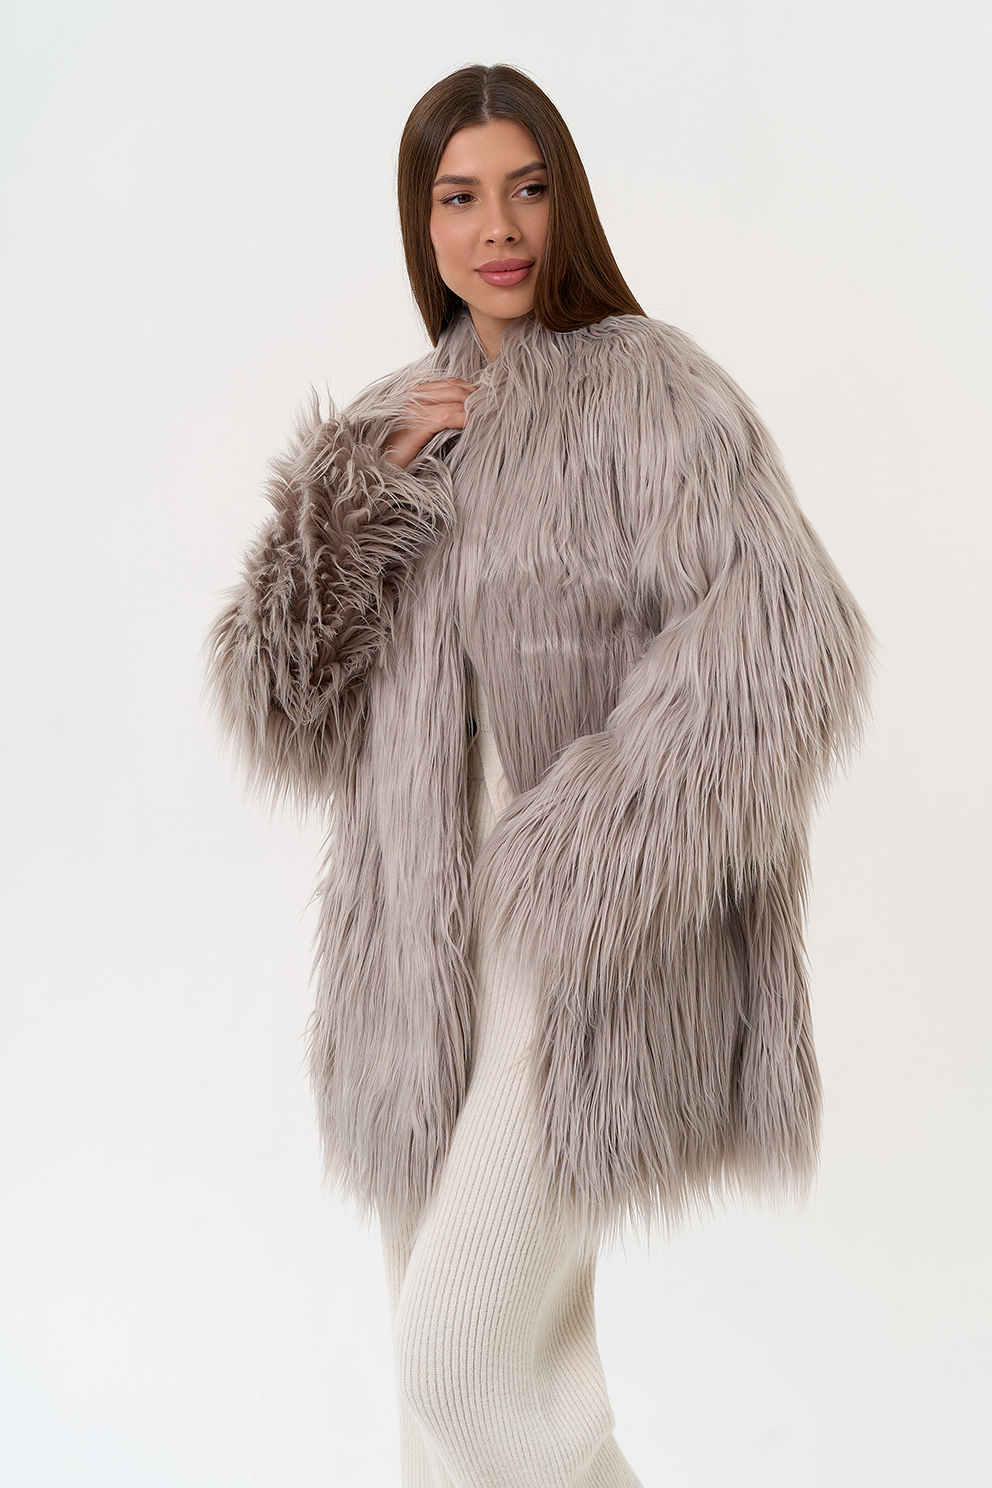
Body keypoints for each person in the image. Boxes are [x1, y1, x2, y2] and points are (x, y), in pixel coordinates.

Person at [208, 62, 871, 1488]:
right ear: (421, 219)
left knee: (455, 1353)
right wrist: (358, 493)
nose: (498, 228)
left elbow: (785, 640)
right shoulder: (400, 418)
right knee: (479, 1416)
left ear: (568, 199)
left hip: (581, 944)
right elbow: (281, 700)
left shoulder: (653, 389)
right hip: (415, 957)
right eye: (460, 197)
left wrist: (587, 854)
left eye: (527, 187)